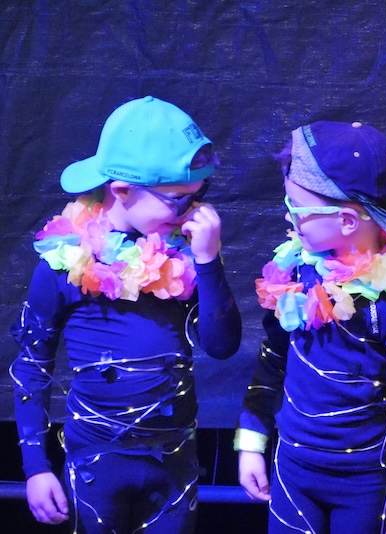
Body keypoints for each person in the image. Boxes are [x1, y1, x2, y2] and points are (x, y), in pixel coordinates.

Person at [10, 95, 242, 533]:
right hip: (97, 464)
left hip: (173, 464)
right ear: (122, 191)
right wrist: (36, 466)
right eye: (179, 200)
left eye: (201, 195)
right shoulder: (63, 262)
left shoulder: (187, 254)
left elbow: (222, 345)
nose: (196, 212)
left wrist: (209, 261)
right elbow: (32, 364)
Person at [235, 121, 386, 534]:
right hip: (293, 468)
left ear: (347, 221)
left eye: (296, 207)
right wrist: (252, 437)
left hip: (365, 482)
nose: (288, 215)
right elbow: (273, 358)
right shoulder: (294, 273)